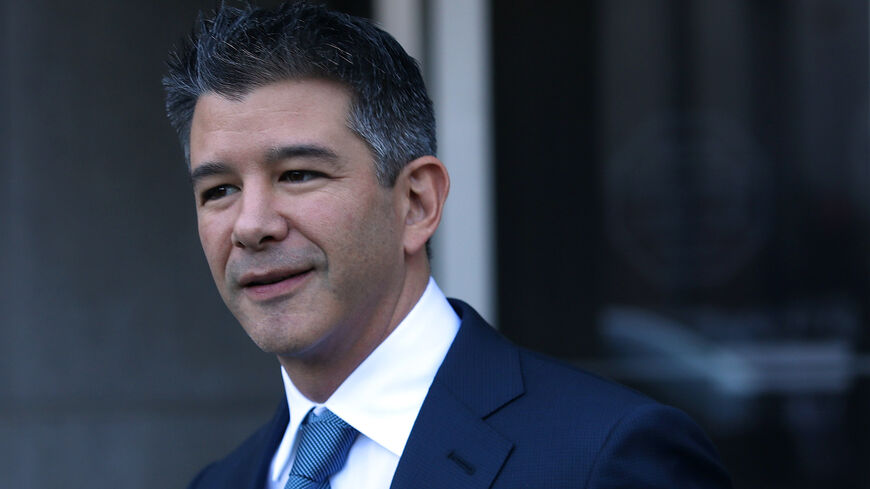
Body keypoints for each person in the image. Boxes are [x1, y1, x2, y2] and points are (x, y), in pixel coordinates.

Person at [162, 3, 732, 488]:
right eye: (220, 190)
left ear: (417, 203)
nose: (250, 224)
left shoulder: (603, 457)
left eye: (299, 175)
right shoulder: (225, 482)